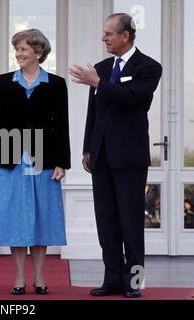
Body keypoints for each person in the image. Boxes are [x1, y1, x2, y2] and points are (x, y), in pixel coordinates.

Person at [69, 13, 162, 298]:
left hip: (130, 157)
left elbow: (134, 100)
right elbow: (93, 113)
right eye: (103, 33)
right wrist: (87, 148)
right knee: (106, 221)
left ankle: (134, 282)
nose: (104, 38)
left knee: (131, 223)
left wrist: (99, 83)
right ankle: (111, 280)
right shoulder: (101, 67)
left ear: (126, 35)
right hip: (101, 156)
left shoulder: (149, 67)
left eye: (109, 33)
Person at [0, 29, 70, 295]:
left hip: (44, 161)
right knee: (15, 219)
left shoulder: (56, 84)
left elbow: (62, 126)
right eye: (17, 49)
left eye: (23, 49)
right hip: (11, 161)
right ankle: (20, 277)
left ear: (38, 52)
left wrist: (61, 162)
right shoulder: (4, 81)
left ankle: (40, 277)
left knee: (41, 218)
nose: (18, 54)